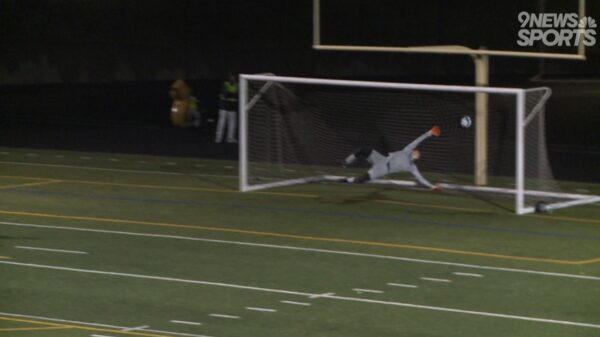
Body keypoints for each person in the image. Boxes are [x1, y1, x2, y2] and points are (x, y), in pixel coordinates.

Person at [341, 126, 442, 191]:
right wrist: (430, 132)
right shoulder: (407, 150)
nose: (416, 152)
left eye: (418, 154)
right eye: (416, 151)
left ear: (417, 158)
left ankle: (347, 181)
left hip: (383, 170)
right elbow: (418, 140)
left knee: (362, 179)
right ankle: (346, 162)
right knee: (363, 149)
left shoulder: (412, 167)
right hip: (381, 159)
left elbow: (421, 179)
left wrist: (433, 187)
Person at [215, 72, 238, 143]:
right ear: (229, 77)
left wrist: (231, 95)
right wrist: (232, 95)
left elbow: (237, 95)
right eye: (231, 77)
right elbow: (224, 95)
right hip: (224, 106)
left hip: (233, 107)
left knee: (232, 123)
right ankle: (218, 138)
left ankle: (230, 138)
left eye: (233, 77)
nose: (232, 78)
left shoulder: (237, 85)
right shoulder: (225, 84)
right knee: (221, 123)